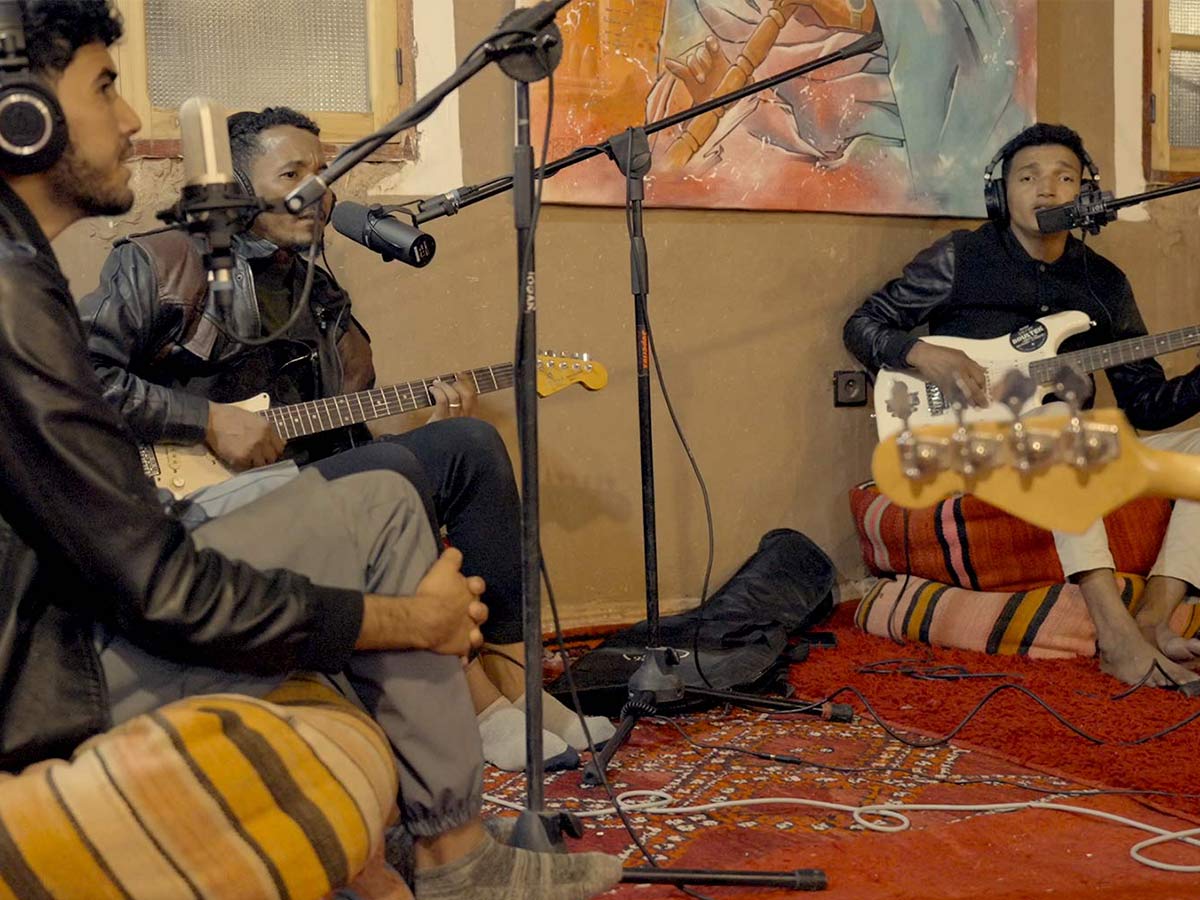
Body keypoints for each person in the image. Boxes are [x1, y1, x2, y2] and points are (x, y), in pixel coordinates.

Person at [0, 3, 622, 897]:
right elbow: (159, 584)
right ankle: (455, 837)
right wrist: (407, 620)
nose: (133, 118)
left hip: (101, 581)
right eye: (105, 87)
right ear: (21, 115)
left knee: (420, 469)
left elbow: (335, 435)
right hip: (55, 657)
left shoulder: (309, 294)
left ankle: (486, 742)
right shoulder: (80, 279)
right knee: (383, 502)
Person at [78, 105, 615, 772]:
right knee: (389, 472)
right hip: (187, 505)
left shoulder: (322, 297)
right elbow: (74, 379)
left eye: (323, 172)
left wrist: (424, 433)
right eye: (291, 173)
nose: (316, 188)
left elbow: (344, 440)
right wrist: (205, 420)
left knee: (468, 444)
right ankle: (475, 709)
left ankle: (520, 686)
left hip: (305, 490)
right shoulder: (162, 265)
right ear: (237, 188)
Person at [844, 122, 1200, 689]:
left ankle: (1153, 619)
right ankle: (1113, 632)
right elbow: (863, 324)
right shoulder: (960, 257)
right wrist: (921, 352)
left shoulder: (1104, 282)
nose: (1046, 189)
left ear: (1084, 194)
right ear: (1001, 193)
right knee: (1057, 421)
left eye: (1065, 178)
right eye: (1028, 177)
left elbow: (1147, 406)